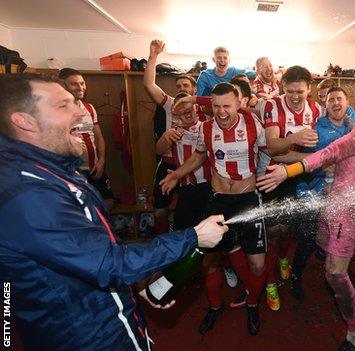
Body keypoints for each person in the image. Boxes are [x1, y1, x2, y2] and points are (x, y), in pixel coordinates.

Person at [0, 73, 228, 350]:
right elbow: (108, 264)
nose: (79, 112)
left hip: (102, 315)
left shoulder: (46, 171)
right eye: (63, 106)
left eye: (75, 103)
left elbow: (90, 252)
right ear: (24, 121)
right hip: (86, 336)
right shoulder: (27, 194)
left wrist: (133, 286)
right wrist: (193, 237)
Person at [258, 68, 355, 351]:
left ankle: (354, 335)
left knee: (335, 273)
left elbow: (334, 150)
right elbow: (345, 157)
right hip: (333, 201)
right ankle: (344, 255)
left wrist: (288, 172)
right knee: (320, 243)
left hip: (348, 208)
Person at [161, 83, 268, 335]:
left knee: (257, 264)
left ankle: (252, 304)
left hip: (249, 199)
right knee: (209, 262)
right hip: (218, 201)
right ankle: (215, 306)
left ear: (239, 103)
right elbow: (199, 157)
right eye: (216, 106)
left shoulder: (253, 124)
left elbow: (268, 152)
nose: (221, 112)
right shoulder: (206, 129)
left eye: (226, 106)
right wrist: (177, 174)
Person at [260, 65, 325, 308]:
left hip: (306, 177)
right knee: (274, 231)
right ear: (282, 89)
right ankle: (269, 282)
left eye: (300, 91)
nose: (295, 97)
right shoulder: (273, 105)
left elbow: (324, 145)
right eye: (290, 92)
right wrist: (295, 140)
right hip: (277, 175)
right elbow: (273, 147)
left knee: (299, 230)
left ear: (309, 89)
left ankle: (286, 261)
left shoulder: (317, 109)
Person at [290, 86, 355, 300]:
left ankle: (334, 274)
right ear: (325, 105)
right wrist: (324, 167)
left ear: (347, 103)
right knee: (307, 240)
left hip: (340, 196)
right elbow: (306, 163)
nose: (336, 103)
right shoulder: (317, 129)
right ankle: (295, 278)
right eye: (331, 100)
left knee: (337, 238)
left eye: (340, 99)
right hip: (313, 192)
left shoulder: (354, 128)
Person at [143, 39, 200, 235]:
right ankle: (163, 246)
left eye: (186, 84)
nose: (182, 87)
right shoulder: (170, 103)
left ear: (194, 90)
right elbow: (149, 84)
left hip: (193, 164)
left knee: (192, 213)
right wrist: (153, 56)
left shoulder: (202, 108)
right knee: (159, 211)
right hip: (168, 162)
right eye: (179, 85)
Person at [58, 67, 114, 210]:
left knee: (108, 201)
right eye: (74, 84)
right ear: (63, 85)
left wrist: (101, 160)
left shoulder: (89, 108)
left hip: (95, 166)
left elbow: (99, 137)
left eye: (82, 83)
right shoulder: (58, 110)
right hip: (74, 169)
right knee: (82, 206)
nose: (80, 87)